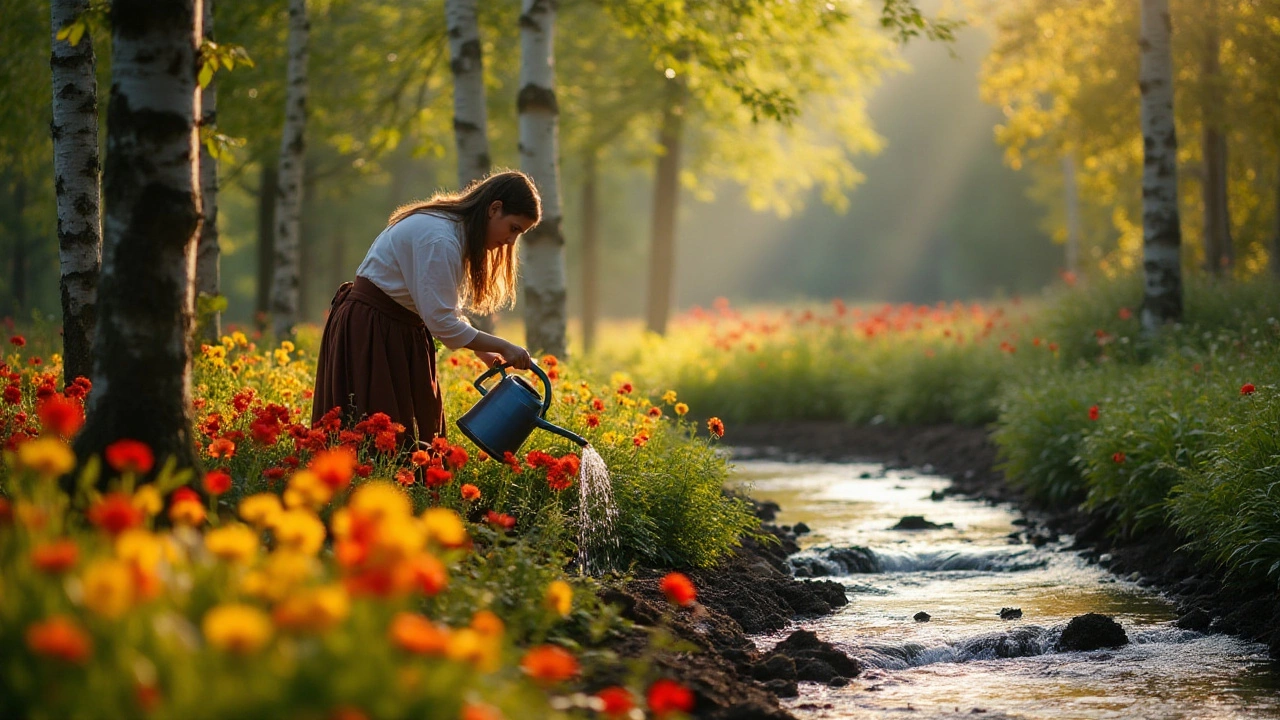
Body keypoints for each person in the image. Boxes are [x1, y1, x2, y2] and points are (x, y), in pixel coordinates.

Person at [311, 170, 538, 445]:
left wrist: (486, 352)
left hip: (394, 328)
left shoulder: (453, 231)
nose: (512, 241)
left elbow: (445, 309)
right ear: (494, 209)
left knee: (403, 440)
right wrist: (504, 346)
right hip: (372, 331)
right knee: (377, 438)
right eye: (513, 228)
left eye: (520, 234)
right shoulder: (441, 239)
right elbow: (442, 322)